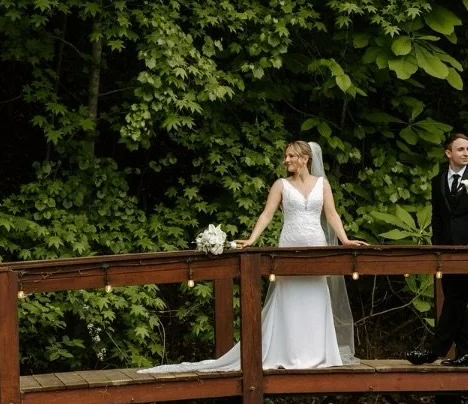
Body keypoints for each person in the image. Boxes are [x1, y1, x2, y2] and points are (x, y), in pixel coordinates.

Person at [143, 141, 365, 373]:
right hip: (289, 245)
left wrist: (345, 240)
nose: (286, 160)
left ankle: (317, 353)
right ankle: (289, 352)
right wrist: (252, 239)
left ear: (305, 158)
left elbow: (331, 214)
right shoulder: (281, 185)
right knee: (290, 296)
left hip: (316, 246)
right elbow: (267, 214)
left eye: (291, 156)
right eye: (286, 156)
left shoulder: (322, 184)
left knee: (314, 295)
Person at [407, 130, 468, 366]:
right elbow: (438, 217)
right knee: (453, 299)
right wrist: (437, 246)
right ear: (448, 153)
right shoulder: (438, 181)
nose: (466, 153)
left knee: (457, 297)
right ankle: (467, 352)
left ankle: (434, 350)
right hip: (446, 251)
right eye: (460, 149)